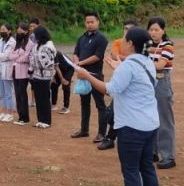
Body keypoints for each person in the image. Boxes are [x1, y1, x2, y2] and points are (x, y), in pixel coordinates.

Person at [75, 27, 160, 186]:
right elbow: (131, 81)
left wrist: (87, 76)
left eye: (123, 38)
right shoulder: (146, 61)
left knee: (131, 171)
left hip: (132, 126)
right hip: (150, 125)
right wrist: (118, 66)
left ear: (130, 43)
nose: (121, 40)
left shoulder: (128, 66)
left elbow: (109, 90)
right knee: (147, 169)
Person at [99, 20, 138, 151]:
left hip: (135, 84)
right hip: (121, 82)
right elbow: (115, 56)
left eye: (130, 29)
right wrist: (130, 57)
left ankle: (115, 138)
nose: (127, 31)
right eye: (125, 28)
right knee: (113, 111)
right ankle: (110, 137)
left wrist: (124, 58)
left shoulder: (139, 45)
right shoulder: (118, 42)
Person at [70, 12, 109, 142]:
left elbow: (97, 56)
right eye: (87, 22)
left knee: (100, 105)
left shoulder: (102, 38)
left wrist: (80, 63)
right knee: (84, 103)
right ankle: (84, 130)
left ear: (98, 22)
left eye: (92, 22)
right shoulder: (82, 38)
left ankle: (102, 133)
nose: (90, 24)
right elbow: (76, 52)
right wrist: (76, 61)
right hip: (82, 76)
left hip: (95, 76)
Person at [148, 17, 176, 169]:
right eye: (151, 30)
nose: (154, 33)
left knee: (164, 120)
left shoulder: (168, 46)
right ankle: (153, 151)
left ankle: (168, 156)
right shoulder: (147, 45)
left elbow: (160, 65)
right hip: (149, 83)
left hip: (162, 83)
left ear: (163, 31)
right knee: (150, 118)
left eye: (157, 30)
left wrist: (143, 62)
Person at [29, 26, 57, 129]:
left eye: (35, 34)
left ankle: (47, 121)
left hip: (45, 75)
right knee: (38, 98)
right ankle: (40, 119)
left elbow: (48, 63)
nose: (33, 36)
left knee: (44, 98)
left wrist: (39, 65)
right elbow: (32, 57)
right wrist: (31, 69)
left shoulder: (48, 46)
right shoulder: (36, 45)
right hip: (36, 74)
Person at [10, 22, 34, 125]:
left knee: (22, 94)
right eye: (18, 31)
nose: (19, 32)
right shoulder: (17, 43)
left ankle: (25, 117)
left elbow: (27, 57)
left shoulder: (30, 43)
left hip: (24, 72)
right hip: (15, 71)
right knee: (17, 94)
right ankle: (20, 117)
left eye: (21, 31)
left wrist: (17, 57)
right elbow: (10, 55)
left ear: (26, 31)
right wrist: (18, 56)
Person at [0, 23, 17, 122]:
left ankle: (10, 113)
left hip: (7, 69)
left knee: (8, 92)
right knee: (1, 93)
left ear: (9, 31)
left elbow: (7, 55)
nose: (2, 31)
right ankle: (3, 111)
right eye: (1, 29)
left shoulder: (12, 42)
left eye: (4, 29)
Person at [51, 50, 73, 115]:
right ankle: (53, 104)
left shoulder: (54, 53)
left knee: (65, 86)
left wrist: (62, 79)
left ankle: (66, 107)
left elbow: (56, 67)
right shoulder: (46, 53)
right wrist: (53, 77)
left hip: (68, 69)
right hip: (60, 69)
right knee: (53, 85)